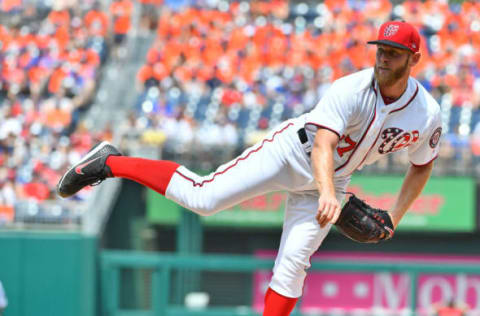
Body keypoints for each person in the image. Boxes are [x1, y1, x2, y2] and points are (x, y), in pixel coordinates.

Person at [57, 21, 442, 316]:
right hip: (295, 152)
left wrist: (395, 214)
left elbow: (422, 165)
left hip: (335, 179)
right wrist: (327, 192)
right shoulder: (351, 89)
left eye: (393, 52)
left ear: (414, 59)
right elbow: (324, 142)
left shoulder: (426, 114)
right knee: (203, 197)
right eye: (381, 49)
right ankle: (110, 161)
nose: (383, 57)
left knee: (293, 266)